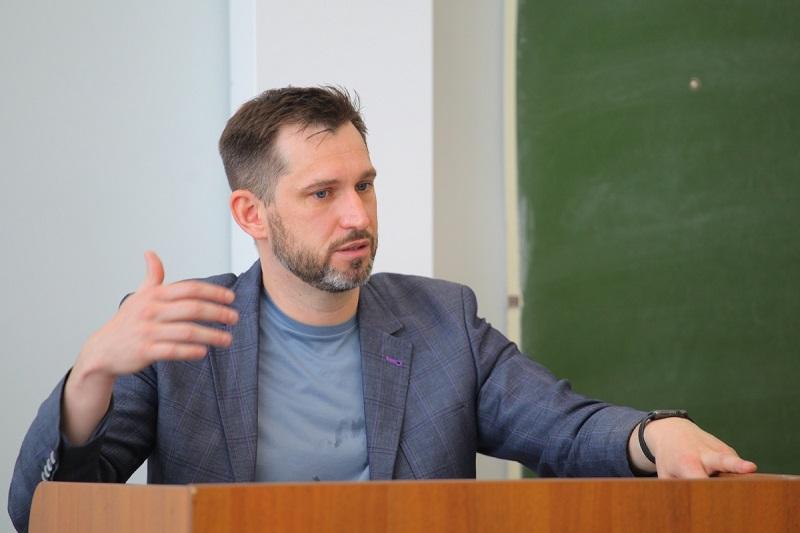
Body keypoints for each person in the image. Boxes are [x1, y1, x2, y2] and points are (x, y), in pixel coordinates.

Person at [8, 86, 756, 532]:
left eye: (364, 185)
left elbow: (564, 426)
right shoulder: (180, 332)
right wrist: (91, 375)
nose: (357, 215)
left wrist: (654, 434)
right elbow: (39, 511)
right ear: (251, 212)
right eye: (323, 193)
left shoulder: (442, 322)